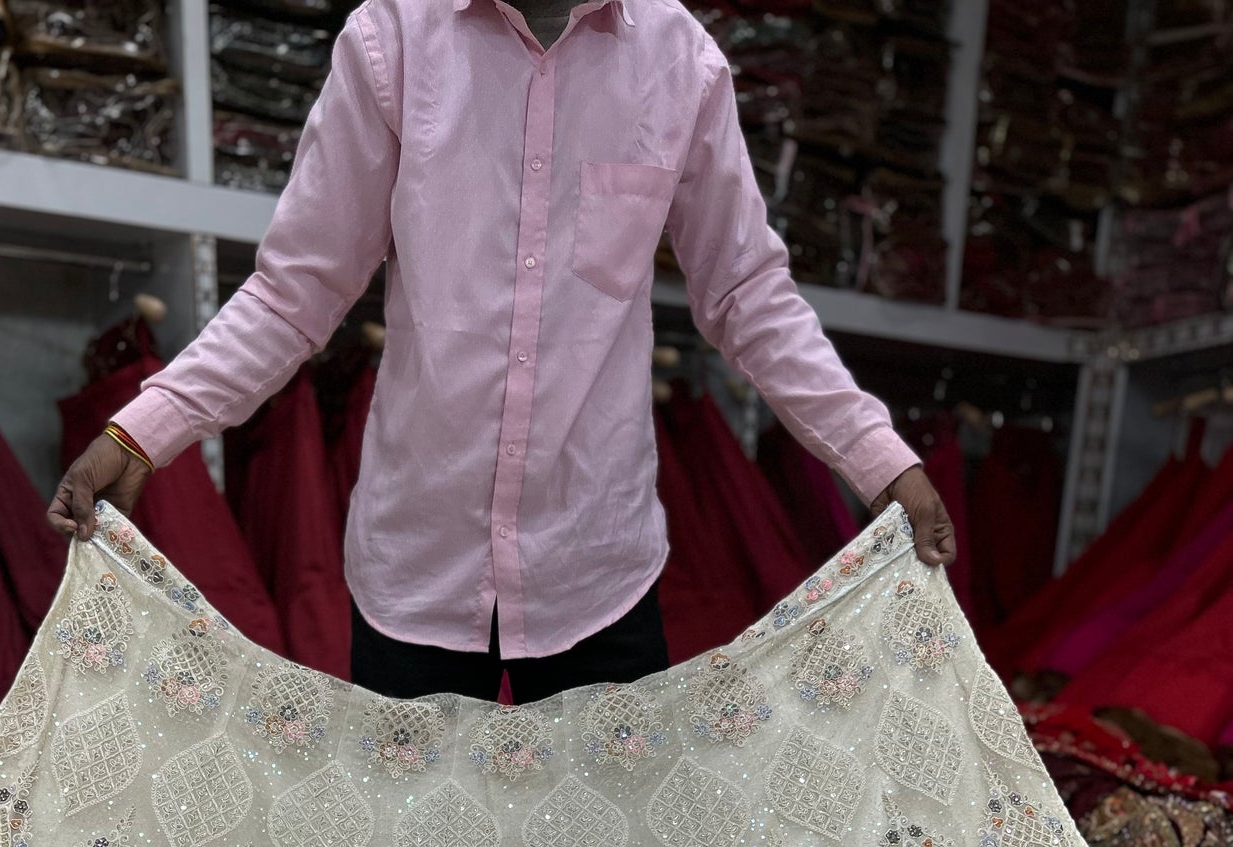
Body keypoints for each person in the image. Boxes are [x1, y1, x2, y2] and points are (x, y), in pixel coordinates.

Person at [50, 0, 955, 702]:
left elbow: (744, 293)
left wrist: (878, 462)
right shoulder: (393, 38)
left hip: (596, 568)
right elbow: (298, 290)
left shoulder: (677, 61)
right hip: (415, 575)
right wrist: (141, 431)